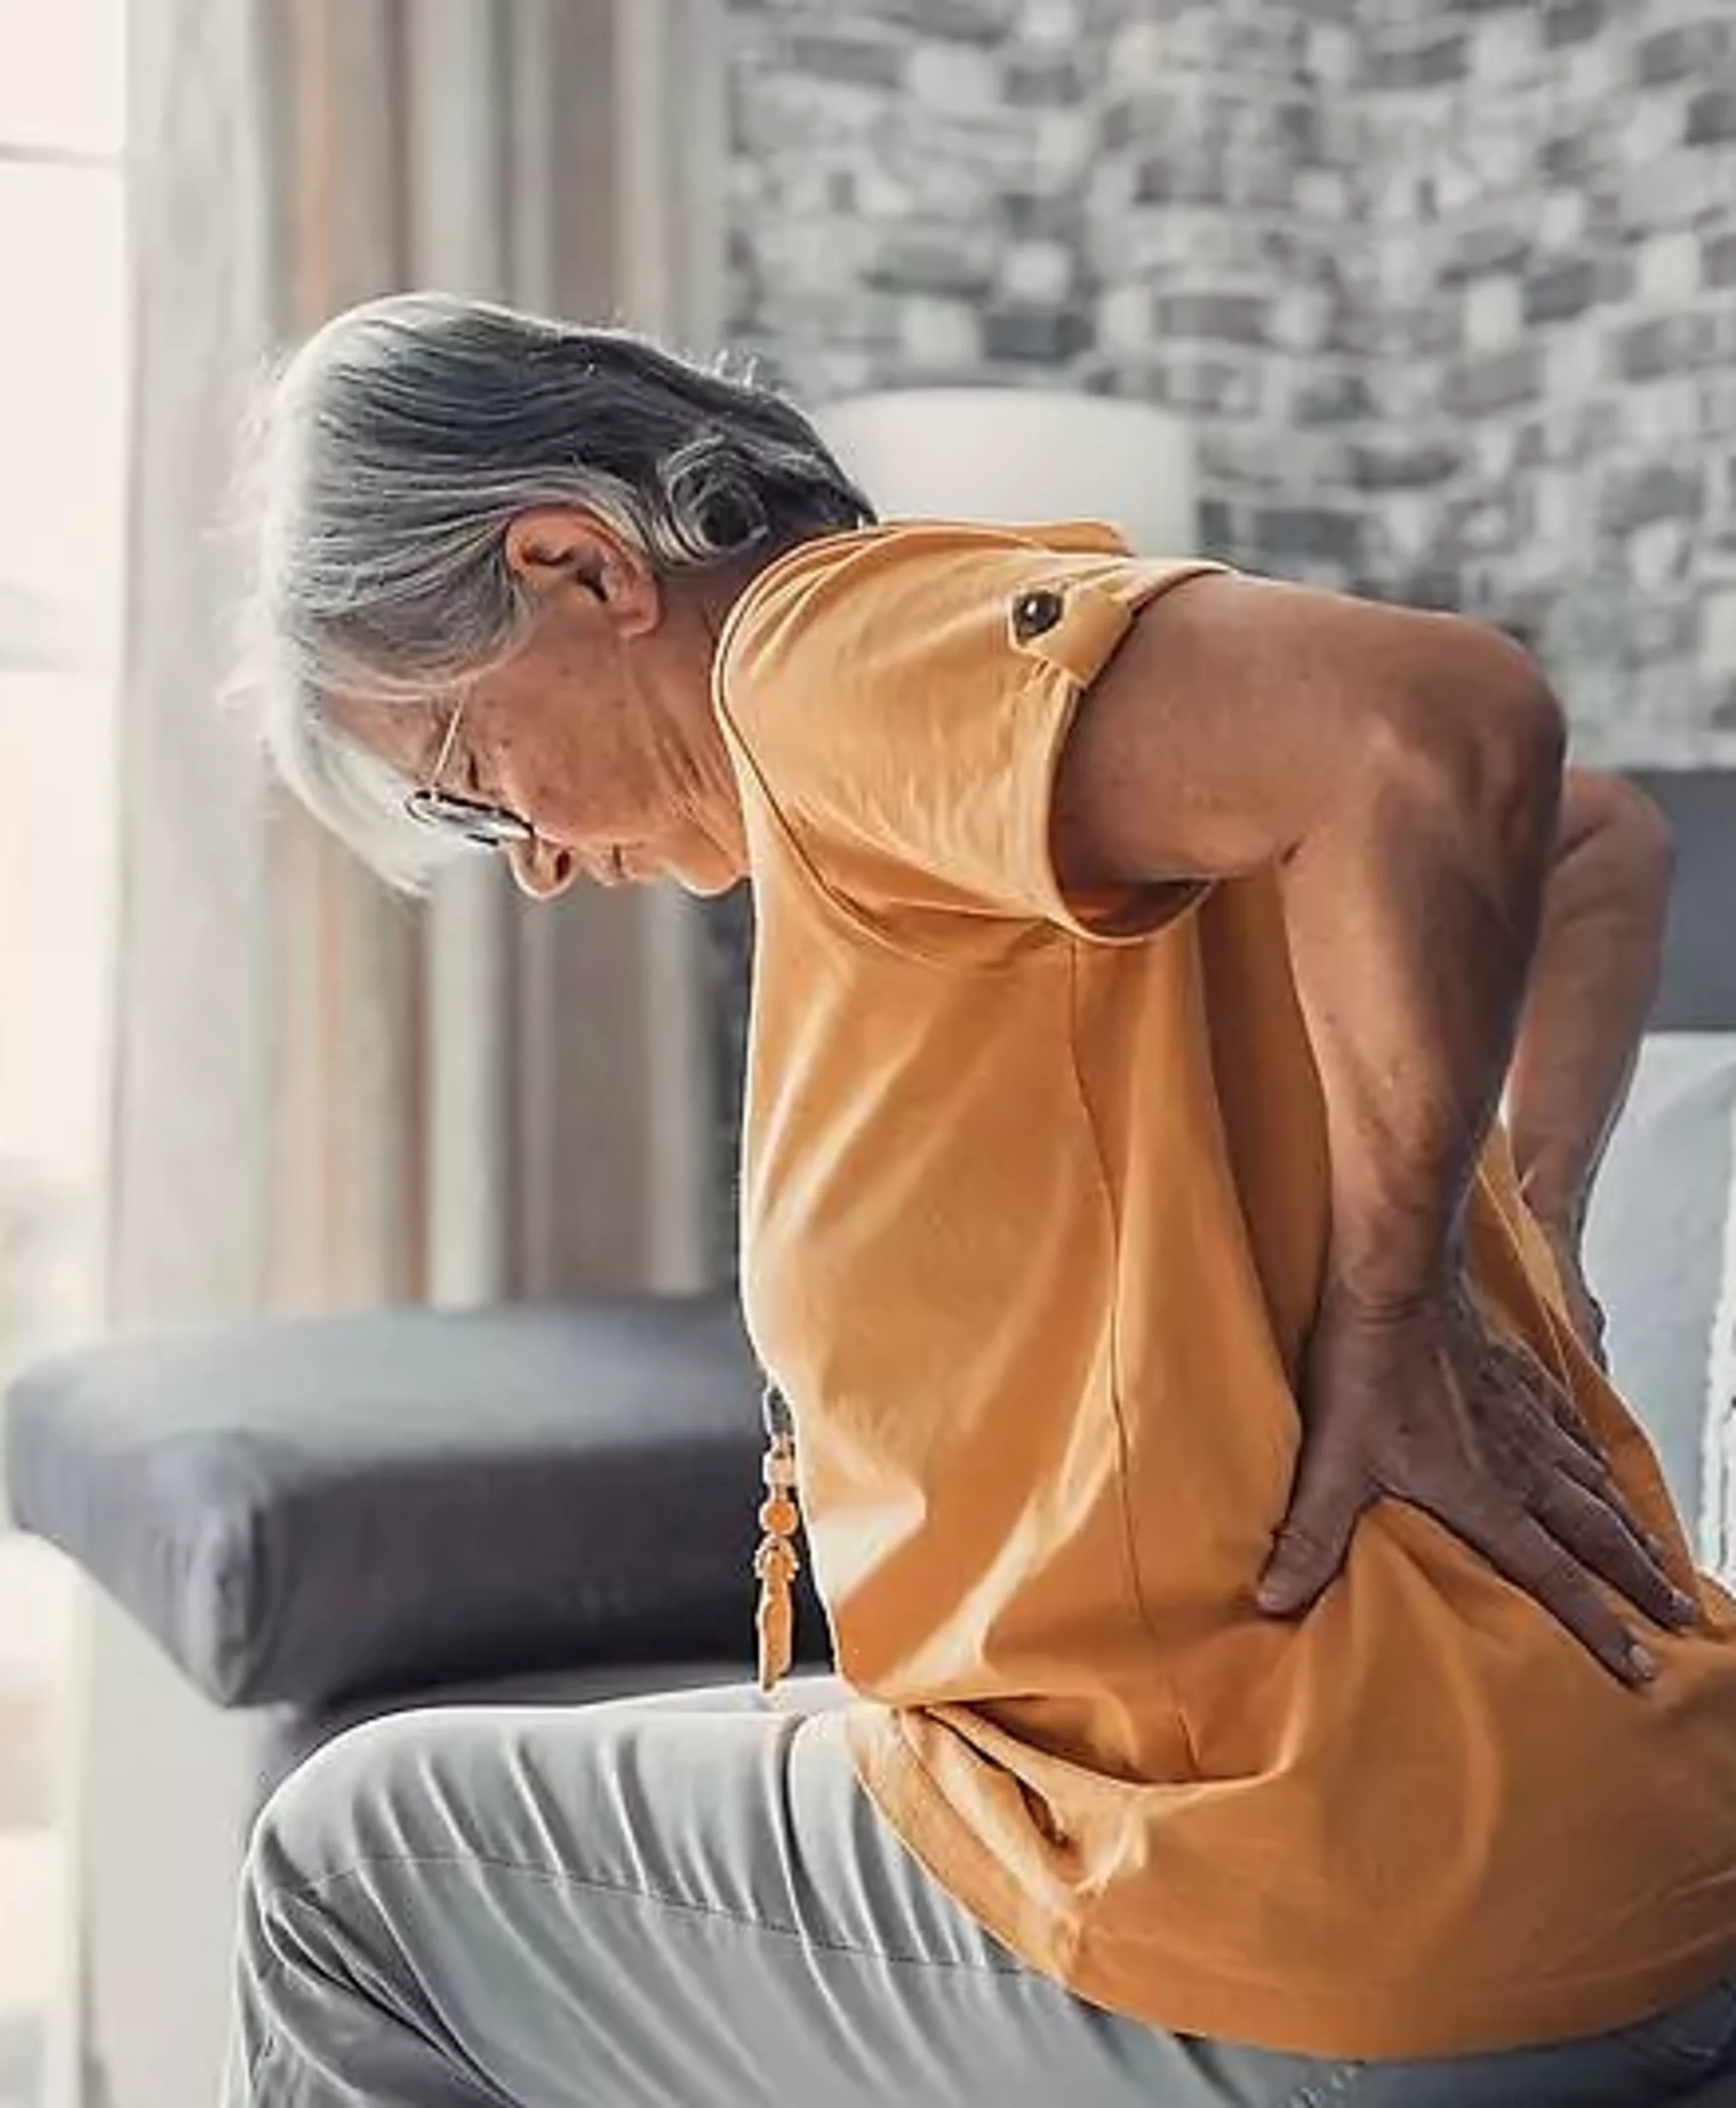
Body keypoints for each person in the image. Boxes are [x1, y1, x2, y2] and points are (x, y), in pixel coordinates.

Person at [223, 292, 1736, 2108]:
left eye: (470, 777)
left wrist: (1407, 1309)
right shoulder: (1034, 744)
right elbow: (1594, 844)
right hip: (1625, 1858)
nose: (534, 864)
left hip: (1346, 1917)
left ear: (580, 567)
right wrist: (1528, 1242)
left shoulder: (823, 661)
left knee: (344, 1870)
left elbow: (1446, 722)